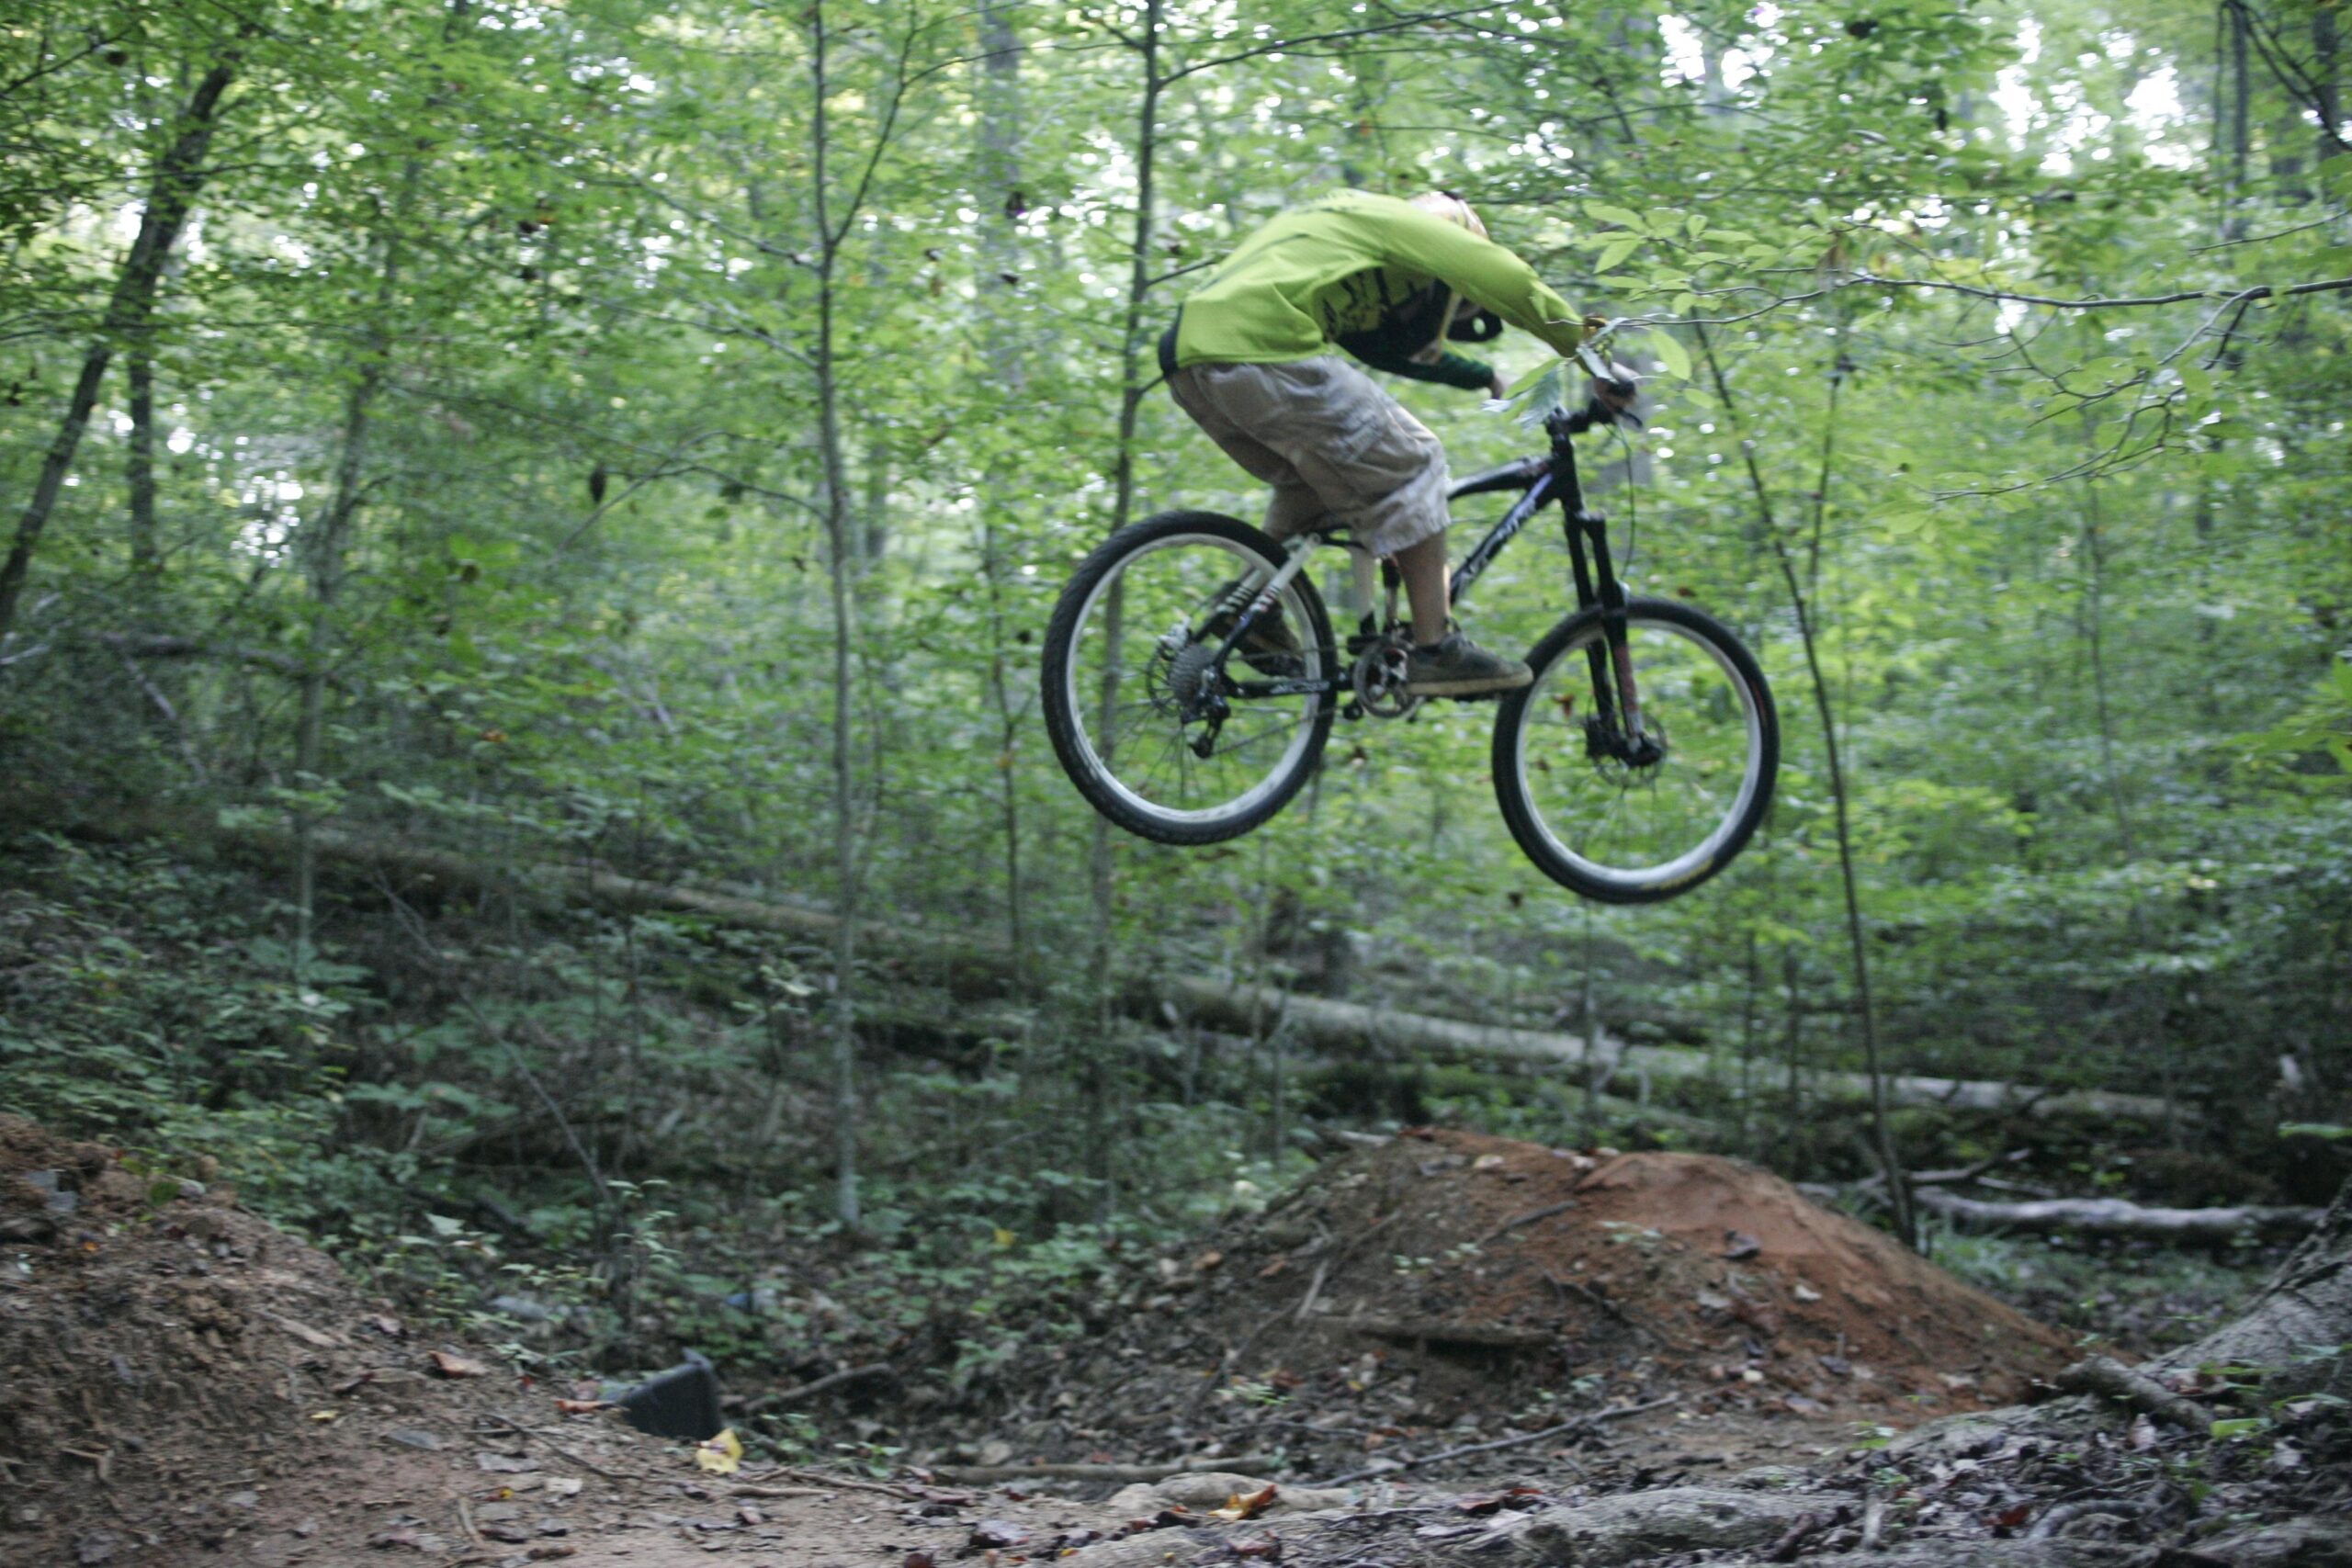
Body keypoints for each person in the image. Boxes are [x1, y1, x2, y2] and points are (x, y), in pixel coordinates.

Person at [1159, 188, 1628, 695]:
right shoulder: (1400, 220)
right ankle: (1435, 648)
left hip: (1192, 361)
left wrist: (1486, 376)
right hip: (1264, 347)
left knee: (1311, 487)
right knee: (1418, 460)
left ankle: (1252, 607)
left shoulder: (1342, 230)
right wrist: (1593, 354)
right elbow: (1505, 278)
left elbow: (1396, 353)